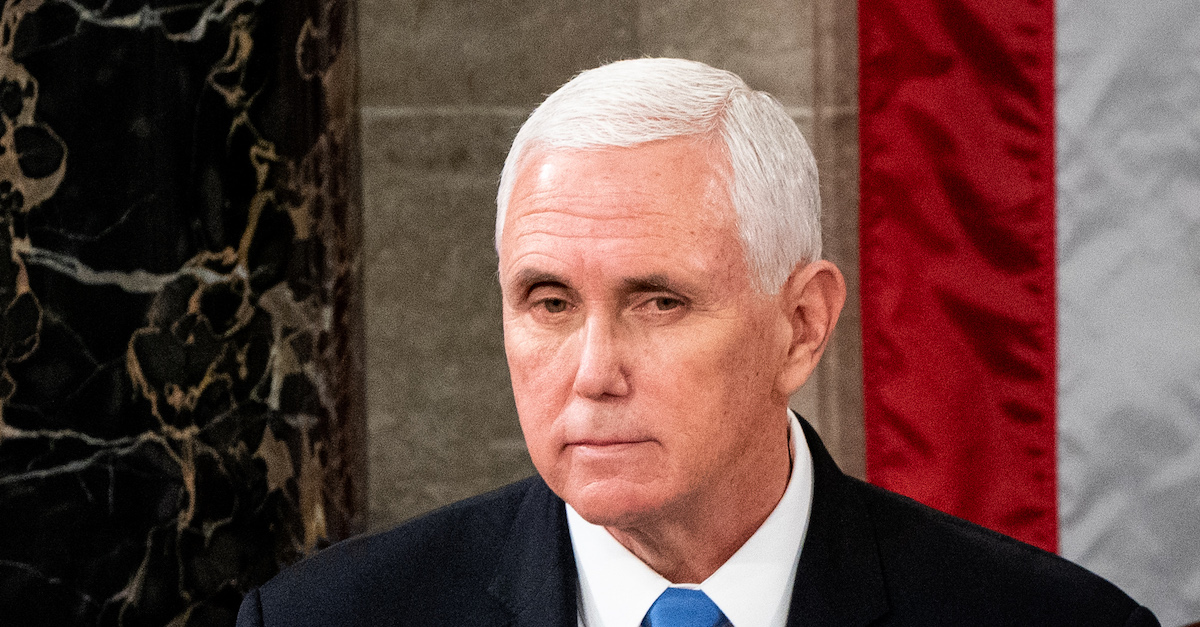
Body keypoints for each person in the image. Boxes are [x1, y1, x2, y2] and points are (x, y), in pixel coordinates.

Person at [237, 58, 1158, 626]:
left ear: (801, 327)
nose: (593, 373)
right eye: (549, 301)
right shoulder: (326, 617)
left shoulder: (1046, 619)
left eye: (659, 302)